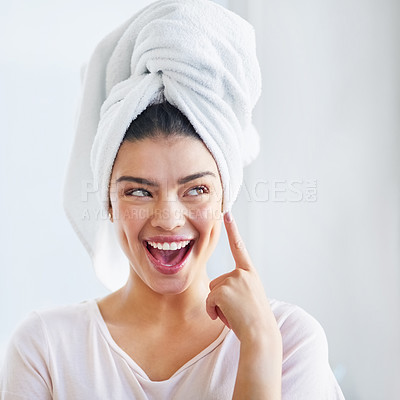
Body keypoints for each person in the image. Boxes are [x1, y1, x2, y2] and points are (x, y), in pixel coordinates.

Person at [0, 1, 345, 399]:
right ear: (109, 202)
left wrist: (260, 347)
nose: (167, 218)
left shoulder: (289, 340)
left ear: (224, 197)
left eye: (195, 189)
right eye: (139, 191)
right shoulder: (46, 349)